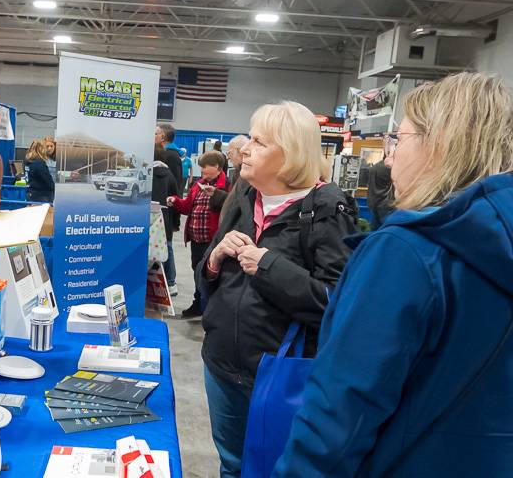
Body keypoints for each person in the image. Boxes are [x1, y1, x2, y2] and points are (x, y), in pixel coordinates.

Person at [274, 73, 513, 478]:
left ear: (440, 145)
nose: (387, 159)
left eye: (398, 140)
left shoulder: (408, 253)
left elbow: (339, 415)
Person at [196, 102, 357, 477]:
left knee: (277, 468)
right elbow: (210, 281)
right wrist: (214, 259)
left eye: (260, 142)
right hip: (221, 365)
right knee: (231, 465)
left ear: (291, 154)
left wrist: (268, 266)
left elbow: (337, 303)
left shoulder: (327, 209)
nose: (246, 150)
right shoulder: (243, 197)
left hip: (281, 375)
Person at [167, 151, 228, 318]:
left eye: (205, 167)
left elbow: (230, 207)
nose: (201, 171)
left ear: (216, 167)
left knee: (212, 275)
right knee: (197, 271)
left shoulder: (226, 185)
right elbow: (188, 207)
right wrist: (175, 201)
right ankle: (199, 303)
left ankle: (210, 307)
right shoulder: (198, 184)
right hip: (196, 239)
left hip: (213, 240)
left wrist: (216, 194)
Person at [155, 123, 182, 296]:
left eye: (156, 133)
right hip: (163, 211)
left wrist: (176, 219)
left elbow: (176, 188)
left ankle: (170, 281)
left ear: (163, 136)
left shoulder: (171, 157)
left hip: (167, 211)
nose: (153, 135)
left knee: (168, 247)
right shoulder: (165, 155)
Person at [151, 145, 180, 282]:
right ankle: (170, 281)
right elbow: (176, 201)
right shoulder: (170, 175)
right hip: (166, 220)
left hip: (148, 219)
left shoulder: (145, 174)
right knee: (167, 249)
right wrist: (176, 223)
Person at [209, 134, 249, 215]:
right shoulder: (239, 172)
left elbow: (239, 203)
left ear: (241, 151)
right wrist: (216, 192)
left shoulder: (248, 175)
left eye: (230, 153)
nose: (228, 157)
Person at [366, 156, 394, 229]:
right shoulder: (390, 168)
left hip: (373, 201)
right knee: (386, 228)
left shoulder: (375, 167)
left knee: (374, 228)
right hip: (385, 203)